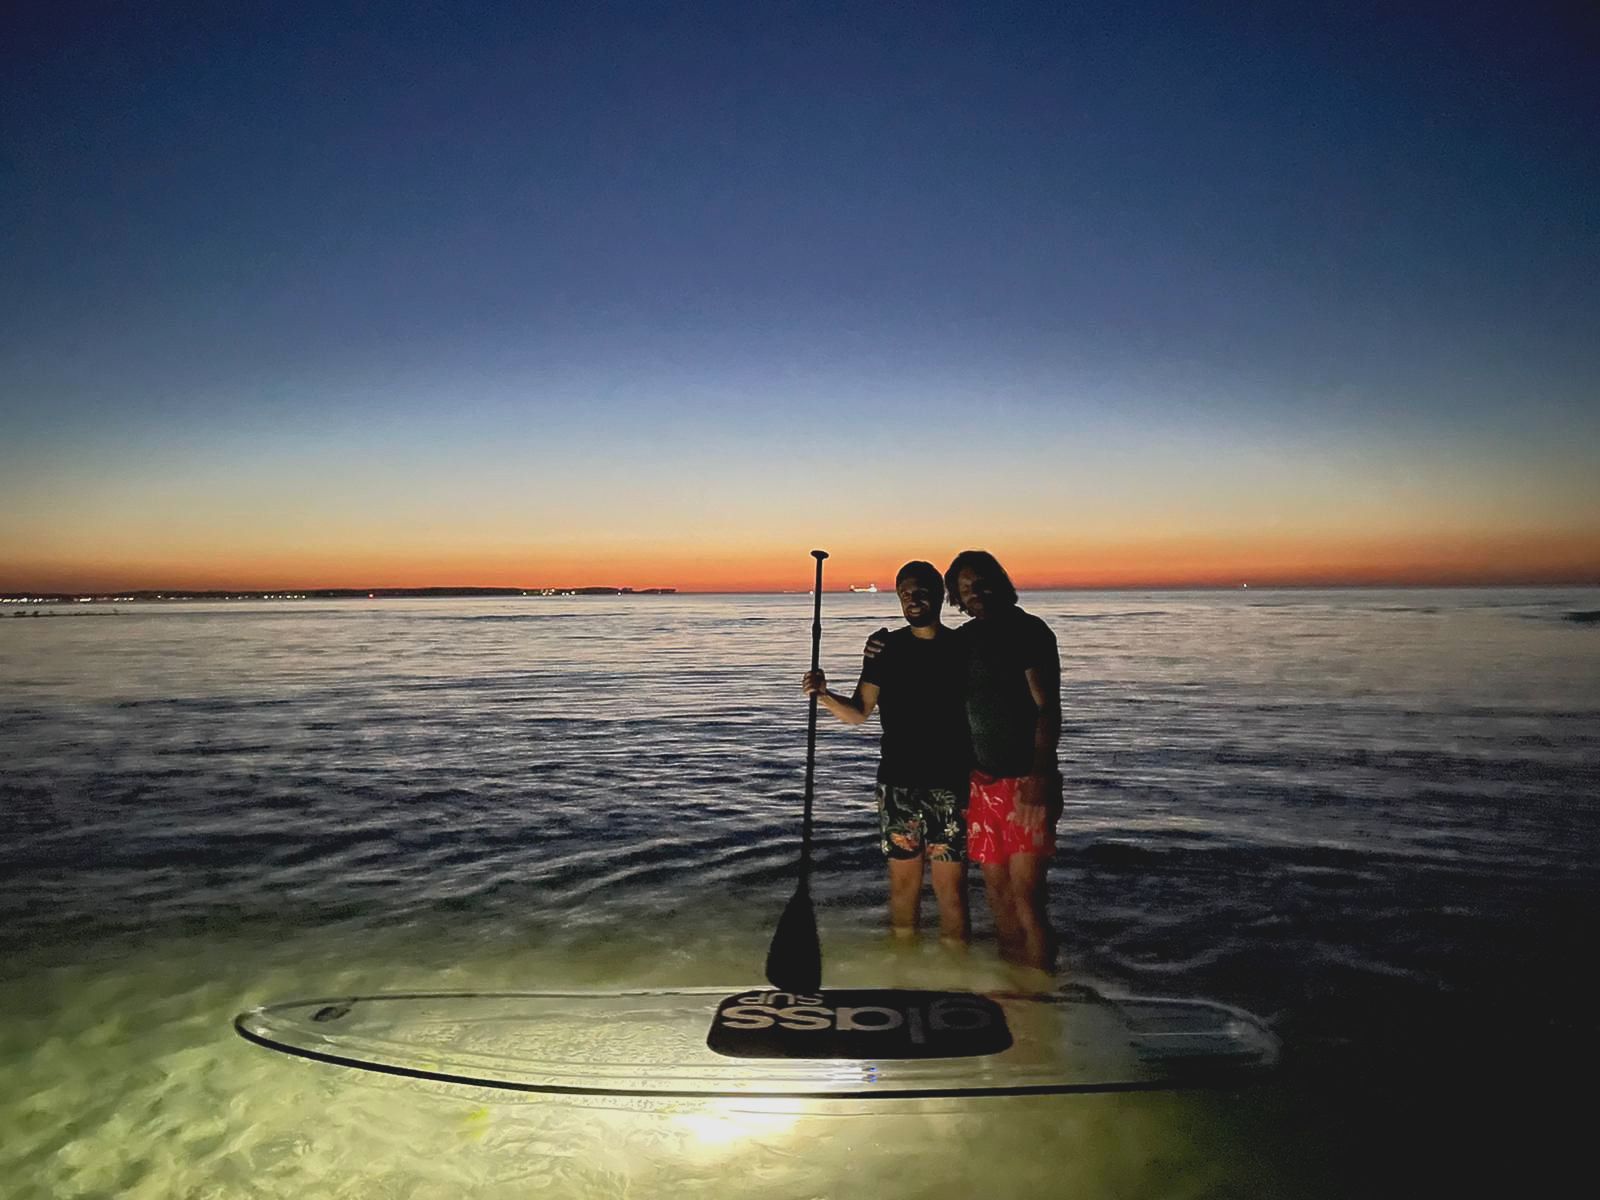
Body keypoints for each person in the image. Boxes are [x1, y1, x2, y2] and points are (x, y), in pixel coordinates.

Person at [802, 561, 971, 945]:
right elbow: (860, 712)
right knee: (902, 891)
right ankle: (903, 974)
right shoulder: (886, 648)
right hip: (898, 787)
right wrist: (824, 695)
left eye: (921, 590)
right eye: (905, 593)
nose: (913, 599)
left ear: (940, 594)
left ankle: (959, 979)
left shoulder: (963, 647)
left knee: (952, 895)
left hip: (950, 786)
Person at [944, 549, 1062, 971]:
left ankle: (1043, 996)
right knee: (996, 893)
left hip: (1025, 781)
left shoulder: (1028, 631)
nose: (974, 592)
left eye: (980, 581)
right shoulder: (963, 640)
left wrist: (1039, 776)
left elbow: (1048, 708)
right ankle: (1015, 987)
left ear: (999, 581)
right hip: (980, 783)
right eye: (963, 587)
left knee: (1027, 895)